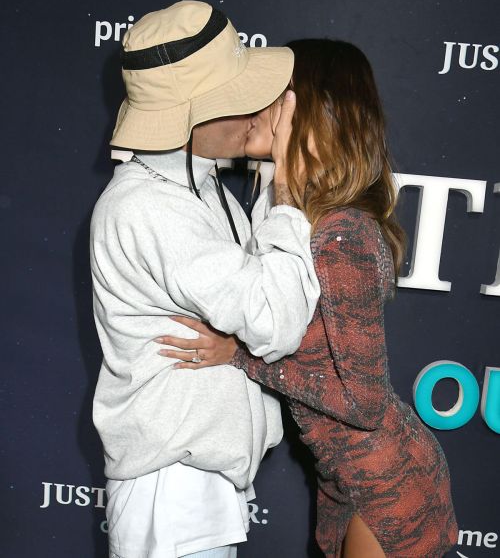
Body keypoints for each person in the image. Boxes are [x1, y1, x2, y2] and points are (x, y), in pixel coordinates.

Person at [156, 39, 459, 557]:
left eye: (273, 93)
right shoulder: (307, 221)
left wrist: (242, 359)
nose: (253, 105)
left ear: (308, 113)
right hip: (351, 480)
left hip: (386, 488)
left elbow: (363, 404)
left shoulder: (341, 234)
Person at [90, 2, 320, 558]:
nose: (255, 111)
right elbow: (278, 319)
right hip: (174, 488)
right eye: (237, 99)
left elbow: (271, 302)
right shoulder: (152, 207)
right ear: (194, 117)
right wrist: (287, 186)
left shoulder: (200, 191)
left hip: (192, 482)